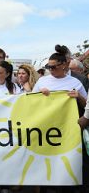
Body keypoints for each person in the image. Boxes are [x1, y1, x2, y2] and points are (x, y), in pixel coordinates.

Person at [33, 45, 88, 192]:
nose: (50, 70)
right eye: (48, 67)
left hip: (68, 130)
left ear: (64, 65)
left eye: (53, 67)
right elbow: (29, 102)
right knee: (47, 160)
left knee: (67, 160)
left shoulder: (76, 82)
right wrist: (39, 95)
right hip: (46, 130)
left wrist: (79, 97)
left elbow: (87, 104)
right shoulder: (42, 82)